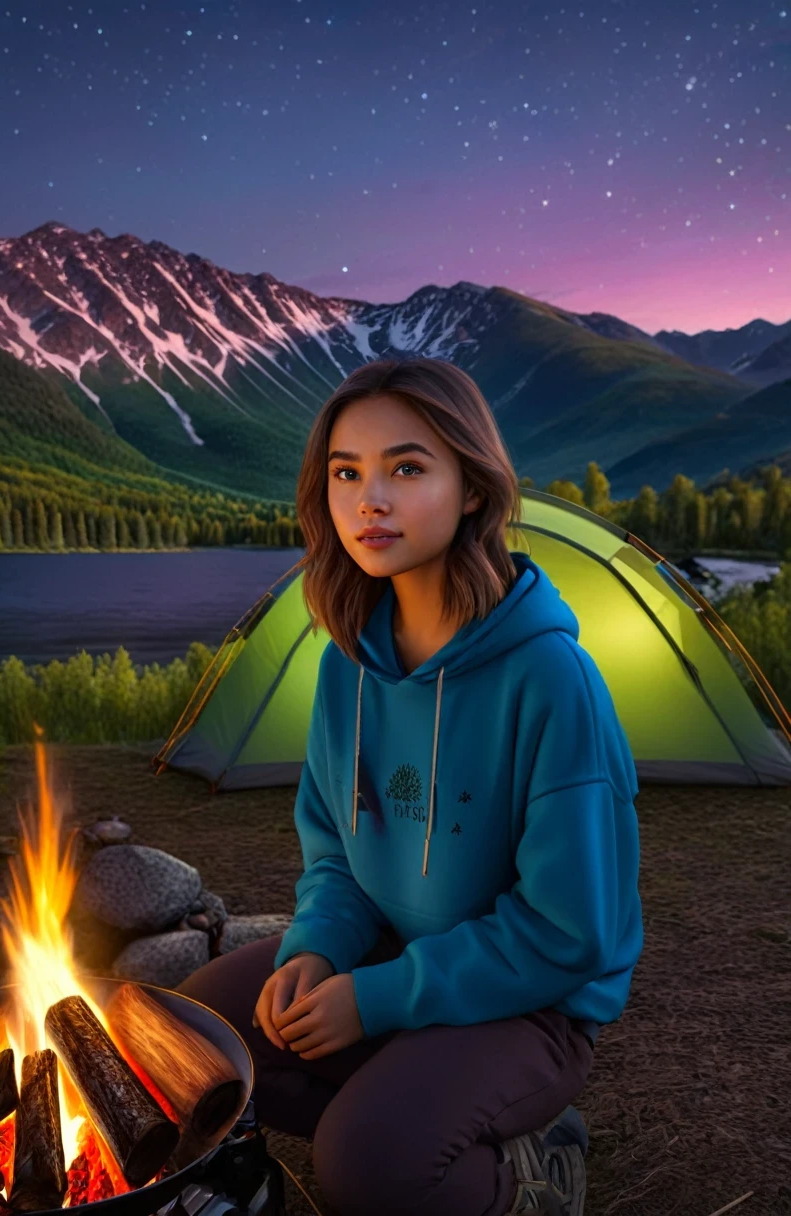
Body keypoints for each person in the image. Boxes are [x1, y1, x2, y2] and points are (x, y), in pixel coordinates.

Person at [178, 356, 643, 1216]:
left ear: (473, 488)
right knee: (190, 1042)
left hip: (531, 1005)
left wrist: (379, 998)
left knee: (367, 1169)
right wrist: (318, 948)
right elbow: (337, 854)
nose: (370, 501)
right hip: (387, 956)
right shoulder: (345, 663)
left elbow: (570, 932)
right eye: (345, 474)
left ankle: (529, 1172)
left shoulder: (551, 679)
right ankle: (419, 1118)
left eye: (407, 468)